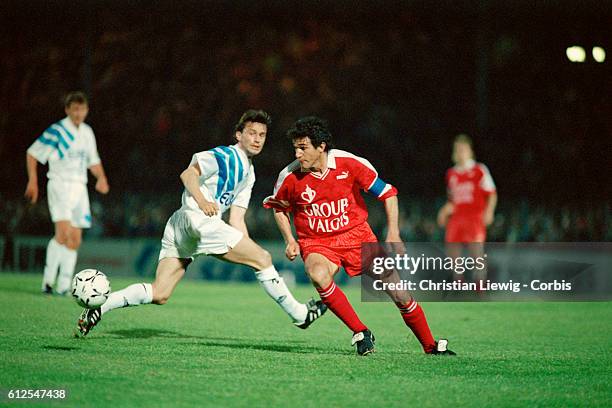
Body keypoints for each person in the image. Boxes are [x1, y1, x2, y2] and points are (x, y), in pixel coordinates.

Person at [76, 110, 326, 336]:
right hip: (197, 219)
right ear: (238, 134)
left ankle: (100, 307)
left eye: (262, 134)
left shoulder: (248, 173)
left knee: (160, 293)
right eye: (251, 133)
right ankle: (300, 315)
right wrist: (203, 200)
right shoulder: (224, 155)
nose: (257, 139)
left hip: (183, 225)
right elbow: (188, 174)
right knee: (263, 259)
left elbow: (237, 219)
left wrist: (248, 247)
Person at [264, 116, 454, 356]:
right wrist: (290, 239)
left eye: (303, 148)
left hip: (358, 236)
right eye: (295, 148)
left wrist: (393, 231)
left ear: (321, 146)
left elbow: (388, 193)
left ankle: (430, 346)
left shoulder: (349, 163)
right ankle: (360, 331)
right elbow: (279, 207)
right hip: (318, 242)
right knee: (318, 274)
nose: (298, 154)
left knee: (400, 294)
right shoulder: (290, 177)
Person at [25, 92, 109, 295]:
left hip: (80, 187)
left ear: (87, 110)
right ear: (68, 110)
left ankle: (64, 285)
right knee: (62, 234)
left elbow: (93, 161)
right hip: (60, 184)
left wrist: (102, 178)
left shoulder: (87, 132)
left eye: (82, 109)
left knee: (75, 239)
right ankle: (47, 281)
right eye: (75, 109)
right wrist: (33, 182)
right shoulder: (58, 131)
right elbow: (33, 153)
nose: (79, 113)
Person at [437, 134, 497, 285]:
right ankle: (459, 282)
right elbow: (452, 200)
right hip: (457, 218)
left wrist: (489, 212)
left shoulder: (479, 170)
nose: (460, 152)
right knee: (452, 249)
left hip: (474, 217)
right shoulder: (451, 174)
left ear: (470, 151)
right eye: (457, 149)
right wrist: (444, 211)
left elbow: (492, 193)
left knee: (476, 250)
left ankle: (480, 282)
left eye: (463, 149)